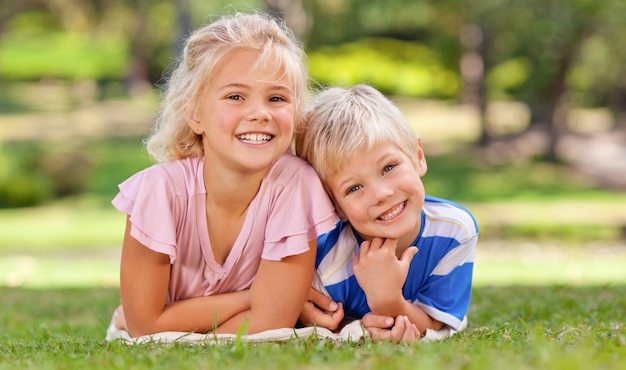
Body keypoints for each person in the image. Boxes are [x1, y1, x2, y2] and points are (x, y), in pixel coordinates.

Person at [110, 12, 337, 338]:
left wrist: (171, 323)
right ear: (194, 114)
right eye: (235, 96)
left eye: (276, 98)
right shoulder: (160, 193)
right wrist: (253, 298)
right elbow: (145, 327)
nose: (259, 113)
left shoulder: (294, 185)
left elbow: (272, 323)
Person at [295, 84, 479, 343]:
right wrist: (350, 325)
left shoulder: (453, 231)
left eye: (389, 167)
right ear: (335, 207)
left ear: (418, 156)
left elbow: (436, 322)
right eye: (354, 187)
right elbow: (316, 320)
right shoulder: (325, 261)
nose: (381, 194)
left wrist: (388, 300)